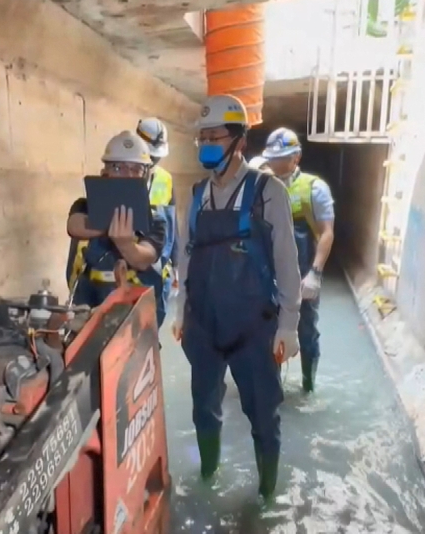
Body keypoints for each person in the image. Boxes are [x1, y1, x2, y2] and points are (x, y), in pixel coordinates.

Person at [169, 94, 302, 502]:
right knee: (203, 410)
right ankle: (208, 475)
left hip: (253, 328)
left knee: (263, 416)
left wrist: (289, 325)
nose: (207, 144)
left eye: (216, 136)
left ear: (240, 141)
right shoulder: (197, 194)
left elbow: (287, 263)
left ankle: (265, 496)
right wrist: (181, 310)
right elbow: (186, 256)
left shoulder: (267, 191)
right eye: (203, 137)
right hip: (204, 325)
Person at [65, 131, 173, 326]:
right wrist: (108, 222)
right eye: (118, 167)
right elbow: (74, 225)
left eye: (136, 169)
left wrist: (126, 245)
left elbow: (145, 258)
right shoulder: (85, 206)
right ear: (104, 173)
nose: (128, 175)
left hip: (134, 314)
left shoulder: (155, 219)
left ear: (145, 176)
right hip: (87, 306)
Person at [261, 127, 336, 393]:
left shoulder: (314, 188)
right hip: (268, 273)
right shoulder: (261, 185)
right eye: (271, 158)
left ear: (296, 158)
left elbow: (326, 233)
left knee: (306, 330)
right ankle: (271, 388)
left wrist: (315, 273)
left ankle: (308, 385)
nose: (274, 163)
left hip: (303, 273)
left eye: (281, 158)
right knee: (266, 329)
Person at [136, 117, 179, 300]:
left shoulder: (166, 179)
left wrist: (176, 264)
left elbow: (173, 225)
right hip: (131, 266)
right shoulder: (123, 174)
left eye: (156, 156)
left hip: (159, 269)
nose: (154, 160)